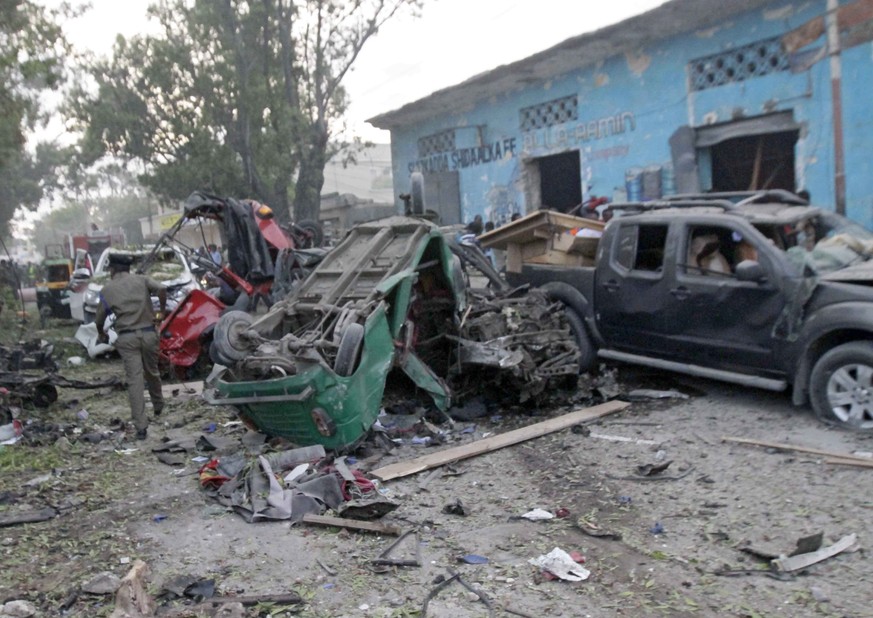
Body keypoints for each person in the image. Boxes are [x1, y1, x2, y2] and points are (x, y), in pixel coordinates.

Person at [96, 253, 166, 440]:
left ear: (112, 270)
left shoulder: (106, 290)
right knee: (152, 371)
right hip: (149, 333)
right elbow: (162, 289)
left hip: (126, 339)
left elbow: (99, 319)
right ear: (128, 269)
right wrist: (160, 314)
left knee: (134, 380)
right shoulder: (142, 280)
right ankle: (158, 406)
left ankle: (141, 427)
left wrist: (101, 333)